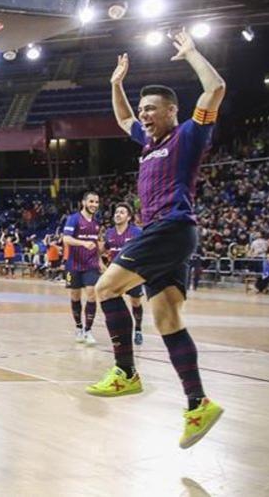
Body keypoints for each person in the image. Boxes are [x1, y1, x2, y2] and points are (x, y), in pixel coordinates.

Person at [86, 30, 226, 449]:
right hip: (167, 237)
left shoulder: (189, 134)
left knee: (104, 288)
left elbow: (215, 88)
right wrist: (116, 84)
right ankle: (198, 404)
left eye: (152, 109)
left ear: (172, 111)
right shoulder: (147, 144)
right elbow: (123, 120)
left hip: (171, 227)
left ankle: (125, 372)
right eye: (143, 109)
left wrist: (192, 54)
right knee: (167, 320)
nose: (144, 115)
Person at [63, 191, 102, 345]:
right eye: (91, 201)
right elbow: (66, 239)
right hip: (73, 264)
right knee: (75, 296)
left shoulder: (97, 223)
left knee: (92, 294)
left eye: (97, 202)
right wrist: (83, 243)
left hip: (90, 264)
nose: (94, 205)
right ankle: (78, 327)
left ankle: (88, 330)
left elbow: (97, 244)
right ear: (84, 202)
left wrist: (100, 261)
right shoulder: (73, 219)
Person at [103, 203, 145, 345]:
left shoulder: (137, 232)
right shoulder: (109, 233)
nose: (118, 214)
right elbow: (103, 249)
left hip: (132, 274)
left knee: (135, 302)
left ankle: (138, 329)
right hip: (115, 274)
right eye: (116, 212)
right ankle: (120, 331)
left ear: (128, 217)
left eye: (122, 212)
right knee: (112, 301)